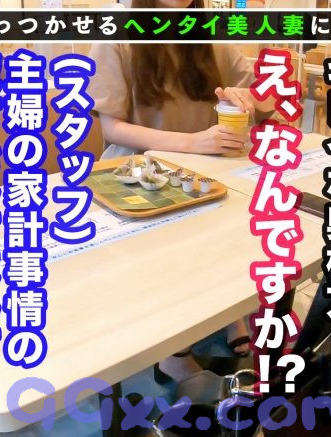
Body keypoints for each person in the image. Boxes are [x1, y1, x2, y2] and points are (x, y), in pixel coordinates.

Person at [87, 0, 275, 376]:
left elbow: (267, 97)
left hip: (207, 173)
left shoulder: (213, 31)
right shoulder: (117, 33)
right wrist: (192, 142)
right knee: (173, 258)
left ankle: (231, 314)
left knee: (234, 235)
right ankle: (175, 348)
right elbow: (112, 128)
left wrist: (251, 99)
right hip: (138, 174)